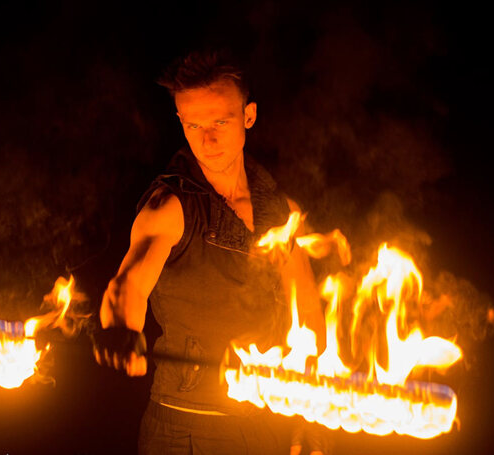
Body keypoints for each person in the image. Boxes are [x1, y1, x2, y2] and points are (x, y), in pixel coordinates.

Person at [93, 48, 326, 454]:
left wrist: (309, 417)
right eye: (195, 125)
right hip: (188, 430)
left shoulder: (279, 209)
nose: (209, 139)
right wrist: (119, 329)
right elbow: (128, 285)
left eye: (221, 121)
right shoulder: (169, 206)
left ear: (249, 116)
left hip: (268, 425)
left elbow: (308, 314)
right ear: (180, 122)